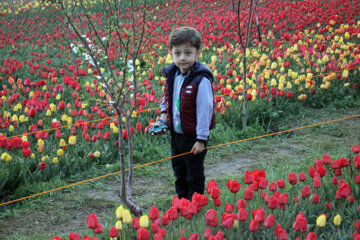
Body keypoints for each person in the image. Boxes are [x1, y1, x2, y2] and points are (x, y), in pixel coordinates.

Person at [158, 27, 216, 200]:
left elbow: (205, 110)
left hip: (193, 137)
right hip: (176, 135)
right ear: (171, 54)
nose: (182, 58)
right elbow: (166, 97)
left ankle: (195, 205)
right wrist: (163, 117)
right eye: (177, 53)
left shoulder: (201, 79)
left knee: (194, 174)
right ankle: (183, 203)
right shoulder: (172, 75)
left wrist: (201, 139)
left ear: (197, 53)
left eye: (188, 53)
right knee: (179, 171)